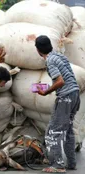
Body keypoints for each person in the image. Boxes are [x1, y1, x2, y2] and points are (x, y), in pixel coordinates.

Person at [35, 35, 80, 173]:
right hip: (75, 95)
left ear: (37, 50)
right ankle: (71, 163)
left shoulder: (50, 60)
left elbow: (60, 81)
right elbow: (65, 78)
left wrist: (46, 91)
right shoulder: (59, 56)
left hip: (65, 97)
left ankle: (57, 165)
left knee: (53, 131)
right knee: (67, 131)